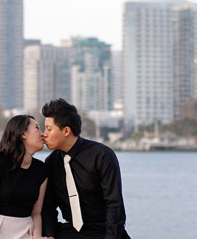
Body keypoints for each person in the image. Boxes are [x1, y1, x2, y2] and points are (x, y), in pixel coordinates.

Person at [40, 99, 131, 239]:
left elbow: (114, 205)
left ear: (66, 131)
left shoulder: (102, 156)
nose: (44, 134)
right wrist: (50, 235)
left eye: (49, 129)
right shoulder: (51, 162)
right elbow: (48, 208)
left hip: (105, 231)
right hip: (71, 232)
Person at [0, 114, 48, 239]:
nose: (42, 134)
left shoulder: (41, 170)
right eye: (37, 128)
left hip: (26, 232)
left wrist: (37, 237)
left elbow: (36, 213)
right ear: (22, 134)